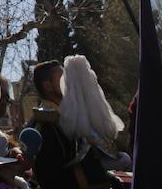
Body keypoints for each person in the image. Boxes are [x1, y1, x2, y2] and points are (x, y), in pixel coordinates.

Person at [29, 60, 120, 189]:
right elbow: (51, 176)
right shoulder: (45, 123)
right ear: (48, 86)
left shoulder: (69, 117)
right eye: (62, 78)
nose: (69, 83)